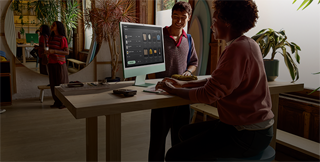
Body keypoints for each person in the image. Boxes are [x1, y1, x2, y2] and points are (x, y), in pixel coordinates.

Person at [155, 0, 274, 161]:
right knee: (184, 132)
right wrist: (184, 83)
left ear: (227, 23)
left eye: (215, 21)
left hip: (247, 133)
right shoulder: (247, 43)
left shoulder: (236, 50)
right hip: (246, 127)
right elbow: (217, 81)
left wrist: (174, 90)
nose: (212, 26)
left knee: (173, 155)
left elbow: (208, 94)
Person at [148, 2, 198, 162]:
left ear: (188, 18)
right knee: (157, 140)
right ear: (171, 16)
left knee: (180, 138)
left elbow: (194, 62)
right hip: (162, 95)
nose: (179, 21)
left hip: (182, 96)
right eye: (176, 16)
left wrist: (188, 72)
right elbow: (149, 63)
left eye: (183, 17)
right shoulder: (158, 36)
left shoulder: (189, 39)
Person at [45, 21, 69, 109]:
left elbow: (67, 52)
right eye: (52, 24)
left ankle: (63, 103)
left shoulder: (62, 38)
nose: (51, 26)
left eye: (53, 25)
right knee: (53, 84)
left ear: (58, 27)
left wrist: (54, 51)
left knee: (61, 83)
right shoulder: (50, 38)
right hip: (51, 63)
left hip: (60, 64)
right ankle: (56, 101)